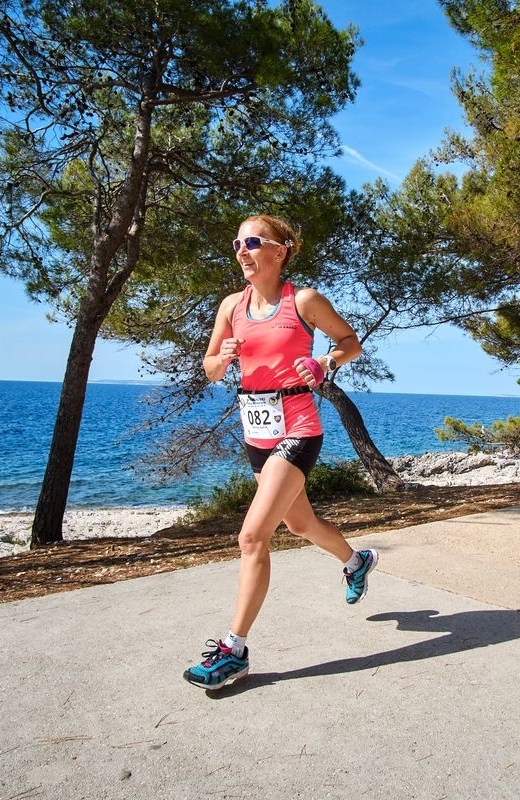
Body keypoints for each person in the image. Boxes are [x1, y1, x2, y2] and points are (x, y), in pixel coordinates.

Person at [183, 214, 374, 690]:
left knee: (252, 537)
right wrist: (222, 357)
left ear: (280, 249)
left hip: (299, 427)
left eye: (252, 242)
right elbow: (208, 369)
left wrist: (325, 360)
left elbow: (350, 342)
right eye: (237, 244)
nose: (242, 252)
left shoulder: (303, 300)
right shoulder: (231, 305)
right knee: (300, 524)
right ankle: (356, 562)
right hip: (256, 432)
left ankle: (234, 650)